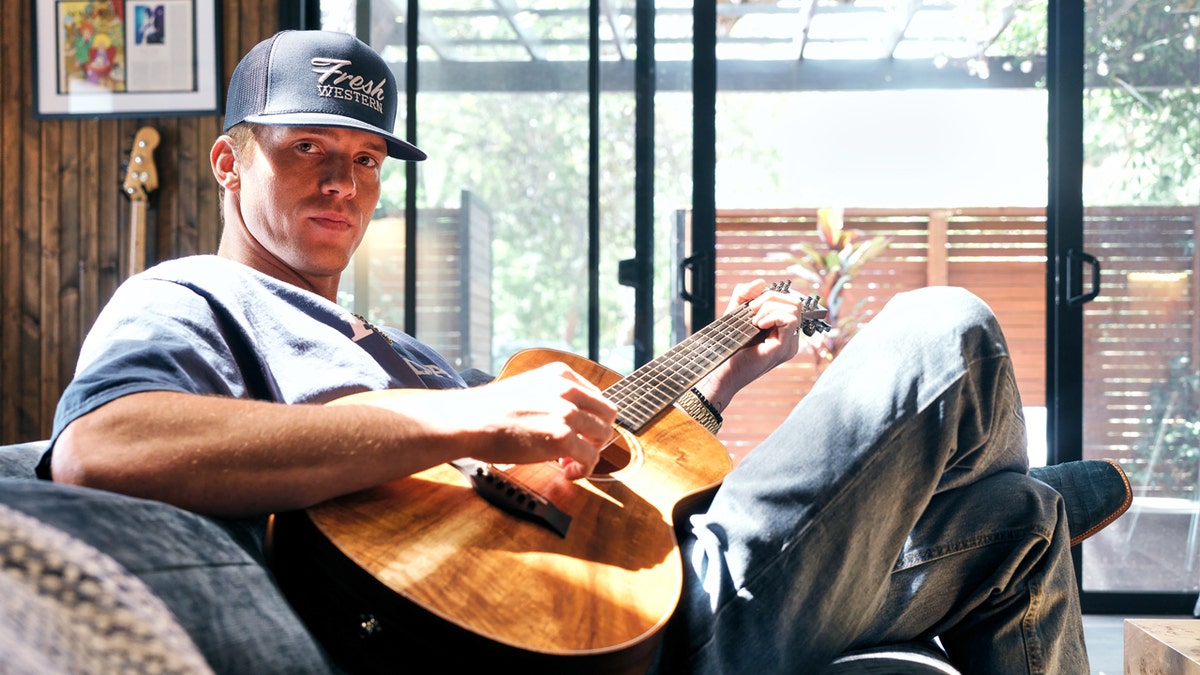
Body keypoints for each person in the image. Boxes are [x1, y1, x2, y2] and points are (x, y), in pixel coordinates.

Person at [35, 30, 1130, 674]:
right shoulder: (191, 293)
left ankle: (1033, 495)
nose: (343, 183)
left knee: (1019, 532)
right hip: (591, 630)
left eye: (368, 161)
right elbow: (100, 446)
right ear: (228, 165)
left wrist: (724, 375)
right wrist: (472, 417)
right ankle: (1026, 474)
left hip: (648, 581)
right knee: (946, 328)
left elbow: (591, 485)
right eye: (307, 149)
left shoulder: (401, 348)